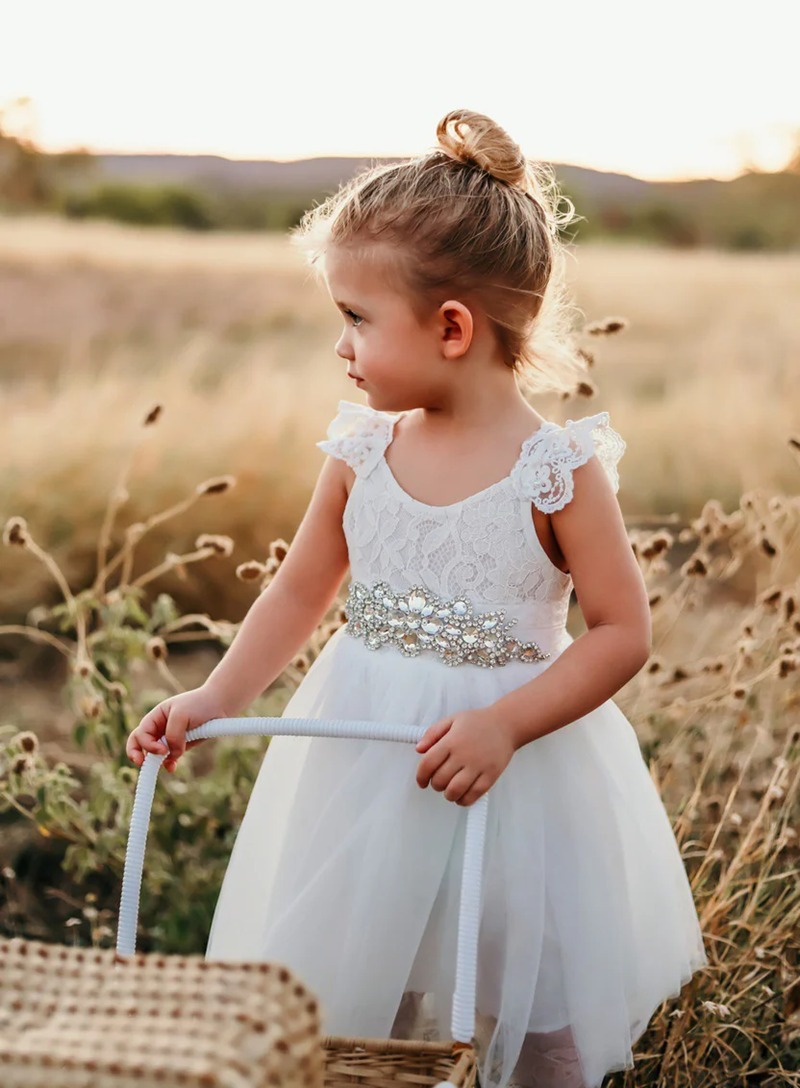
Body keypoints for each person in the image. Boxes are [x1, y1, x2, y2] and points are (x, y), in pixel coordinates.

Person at [126, 109, 708, 1088]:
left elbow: (619, 633)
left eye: (356, 318)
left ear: (450, 328)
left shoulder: (555, 471)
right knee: (367, 981)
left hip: (515, 769)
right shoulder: (361, 451)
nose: (340, 346)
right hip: (366, 752)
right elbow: (297, 592)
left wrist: (505, 726)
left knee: (528, 1005)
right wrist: (214, 698)